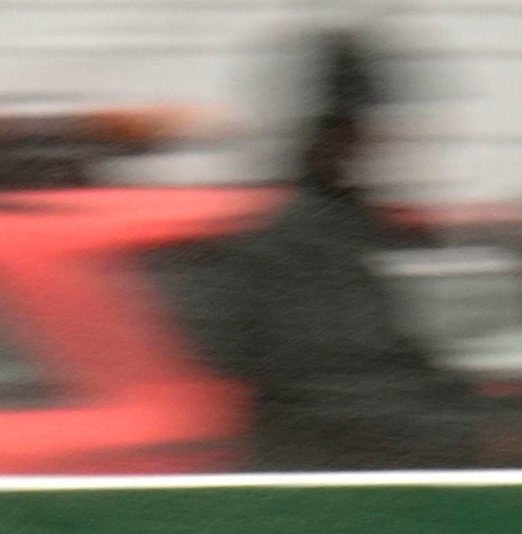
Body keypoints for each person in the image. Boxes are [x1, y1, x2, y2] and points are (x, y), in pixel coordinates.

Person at [190, 27, 497, 471]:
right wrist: (470, 435)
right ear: (336, 132)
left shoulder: (355, 233)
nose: (383, 144)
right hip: (316, 507)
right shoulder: (297, 248)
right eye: (369, 127)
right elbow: (338, 392)